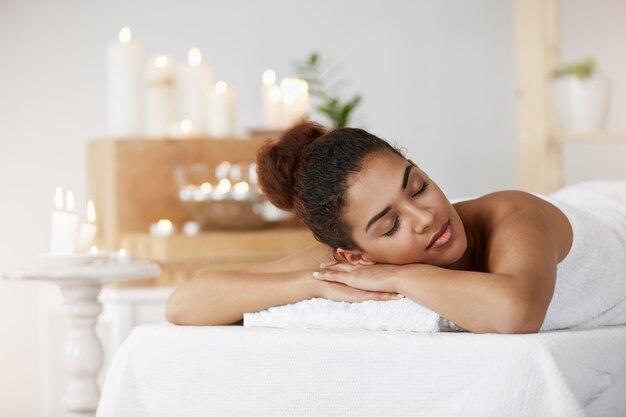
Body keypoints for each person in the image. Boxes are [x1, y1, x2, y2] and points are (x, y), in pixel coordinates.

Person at [166, 122, 626, 333]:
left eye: (419, 186)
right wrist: (316, 285)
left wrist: (395, 274)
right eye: (390, 227)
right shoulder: (348, 261)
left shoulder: (513, 213)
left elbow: (516, 313)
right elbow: (185, 303)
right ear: (353, 256)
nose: (427, 217)